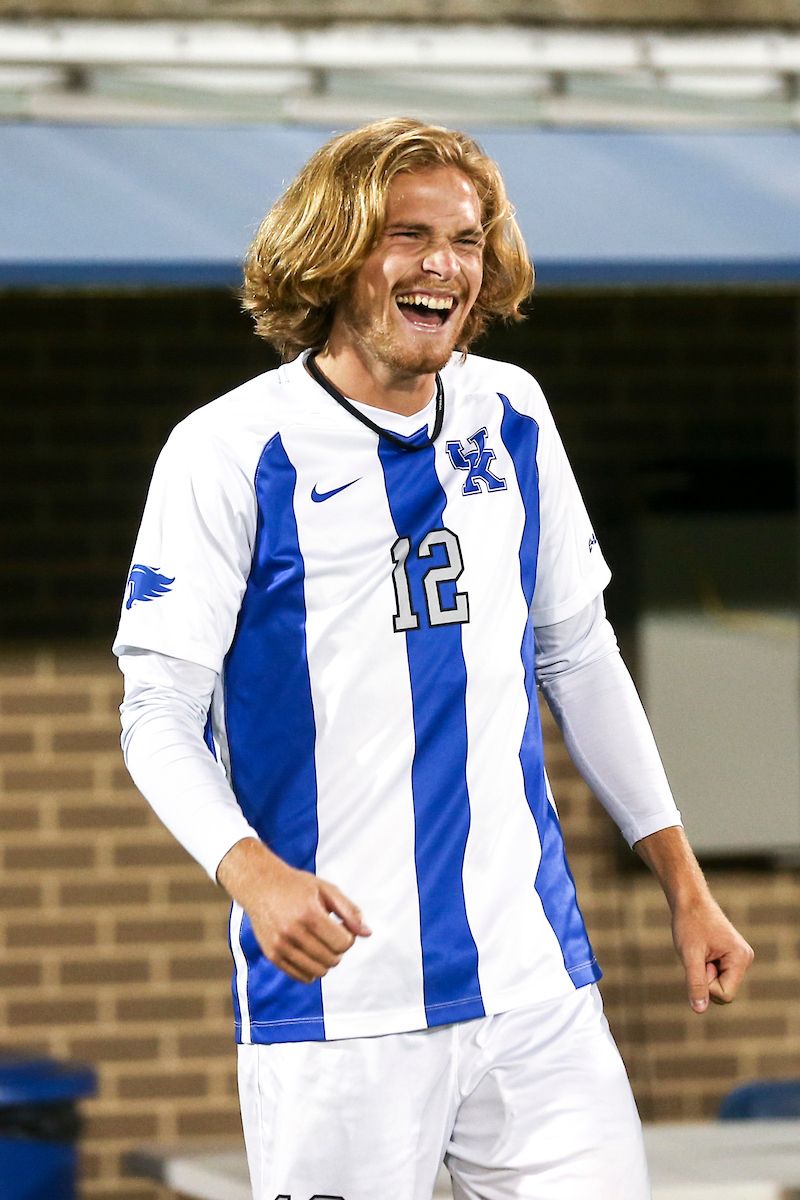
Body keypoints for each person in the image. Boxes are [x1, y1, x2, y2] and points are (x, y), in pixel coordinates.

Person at [114, 119, 753, 1200]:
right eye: (406, 236)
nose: (442, 265)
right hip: (341, 1004)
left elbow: (579, 654)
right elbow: (157, 712)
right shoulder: (228, 451)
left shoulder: (511, 412)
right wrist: (252, 873)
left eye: (464, 240)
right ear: (330, 253)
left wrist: (682, 884)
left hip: (532, 983)